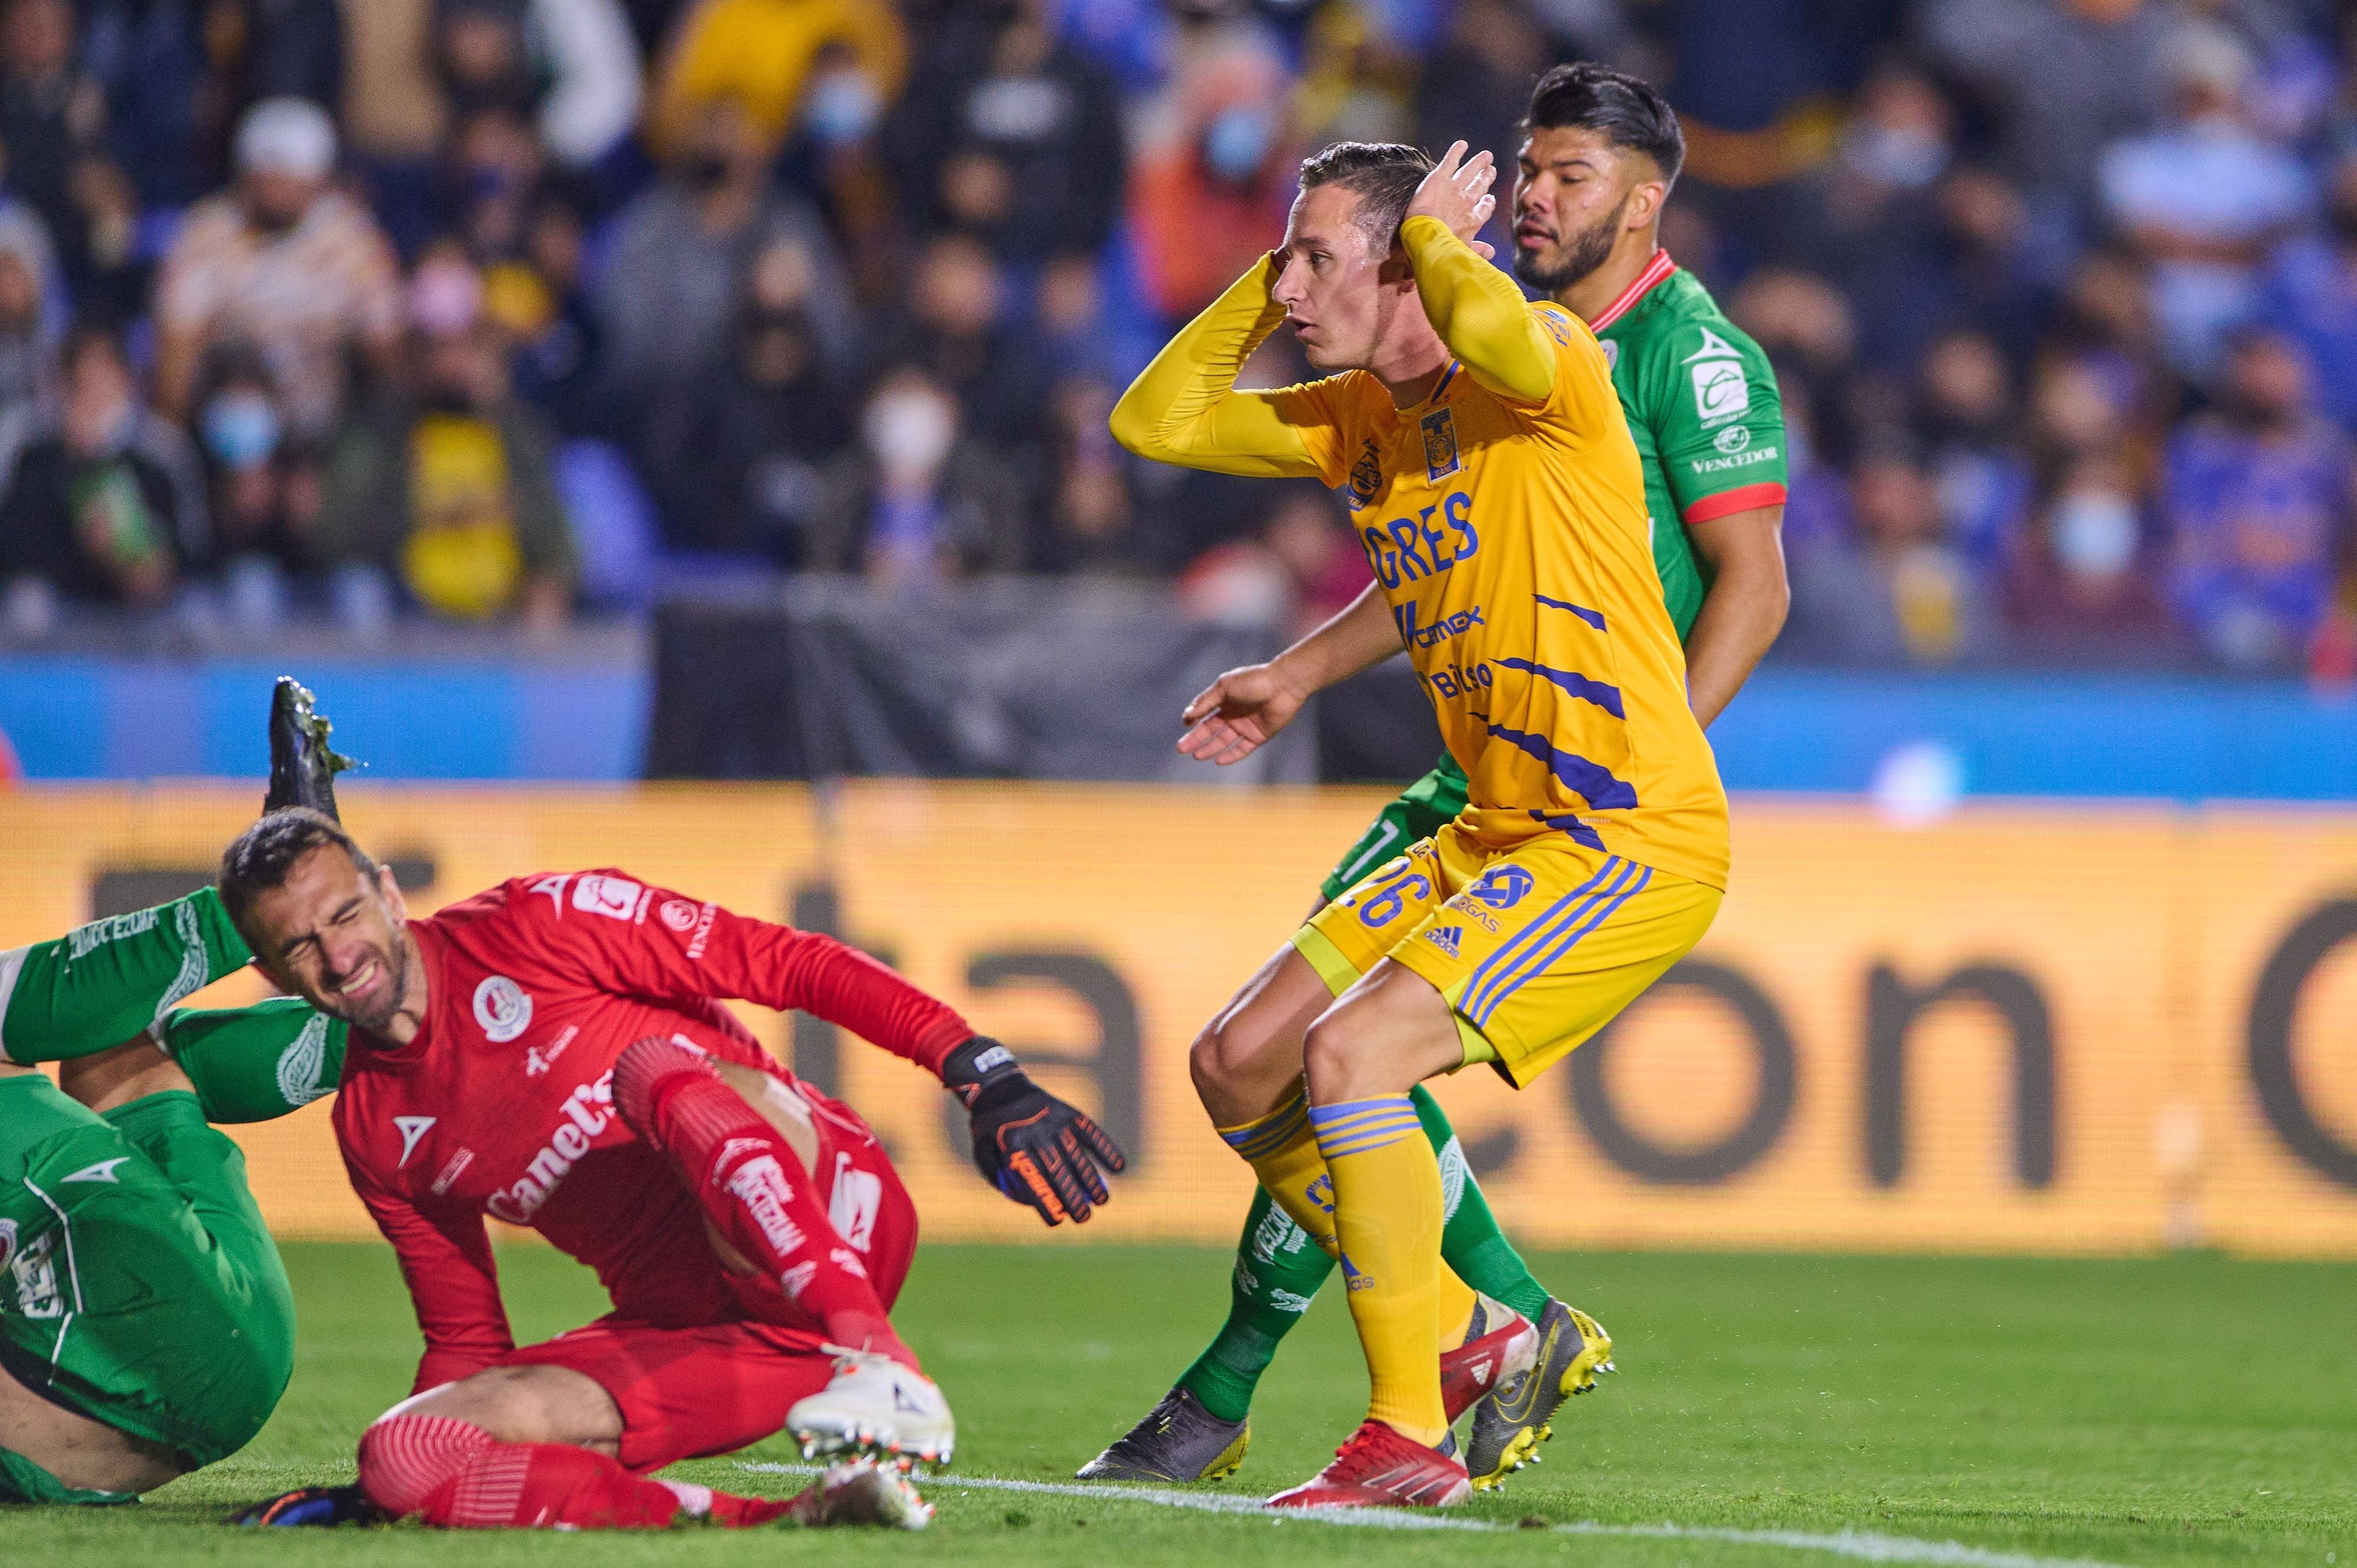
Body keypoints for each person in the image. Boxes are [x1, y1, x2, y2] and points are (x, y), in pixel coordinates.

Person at [1084, 64, 1786, 1493]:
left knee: (1353, 1060)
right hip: (1487, 811)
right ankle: (1484, 1328)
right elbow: (1155, 422)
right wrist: (1287, 270)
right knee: (1239, 1059)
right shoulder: (1365, 415)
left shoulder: (1547, 365)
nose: (1289, 290)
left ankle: (1404, 1430)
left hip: (1610, 818)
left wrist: (1427, 244)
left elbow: (1494, 332)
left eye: (1317, 261)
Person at [212, 779, 1127, 1529]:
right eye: (303, 944)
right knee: (405, 1452)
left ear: (390, 892)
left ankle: (884, 1365)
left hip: (835, 1220)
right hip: (720, 1347)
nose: (339, 955)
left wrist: (981, 1071)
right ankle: (781, 1519)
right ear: (273, 974)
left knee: (653, 1071)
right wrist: (387, 1495)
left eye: (345, 914)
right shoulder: (375, 1126)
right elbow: (466, 1343)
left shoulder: (542, 922)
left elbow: (788, 964)